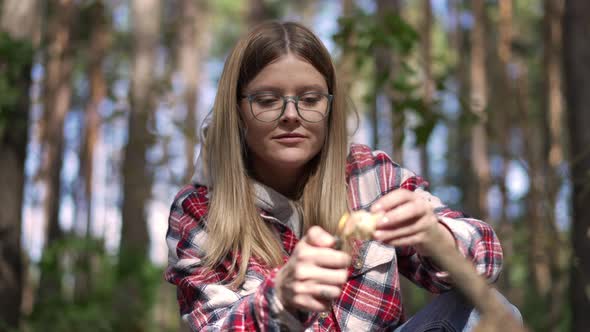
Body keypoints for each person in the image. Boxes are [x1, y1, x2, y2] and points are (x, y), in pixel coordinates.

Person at [165, 21, 518, 331]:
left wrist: (435, 236)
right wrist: (278, 300)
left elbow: (488, 260)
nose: (291, 115)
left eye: (310, 99)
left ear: (330, 107)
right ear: (238, 111)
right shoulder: (199, 211)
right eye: (268, 100)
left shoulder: (370, 176)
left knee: (493, 312)